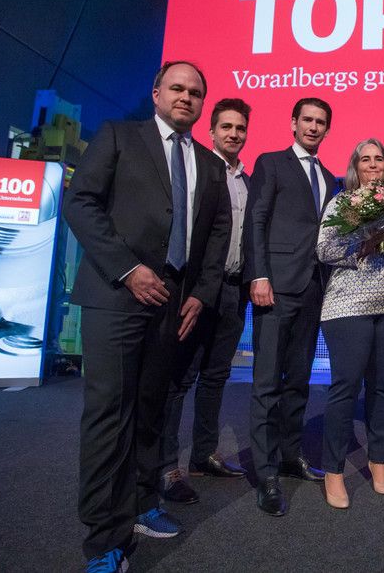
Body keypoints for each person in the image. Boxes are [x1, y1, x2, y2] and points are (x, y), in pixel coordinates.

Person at [63, 61, 231, 572]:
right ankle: (104, 540)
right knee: (109, 415)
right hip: (117, 294)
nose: (186, 97)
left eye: (195, 92)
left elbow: (218, 234)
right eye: (177, 88)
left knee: (152, 410)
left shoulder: (210, 164)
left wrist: (200, 294)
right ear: (156, 92)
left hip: (175, 303)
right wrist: (128, 268)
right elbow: (81, 203)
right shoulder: (119, 136)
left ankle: (141, 503)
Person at [243, 97, 336, 517]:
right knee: (267, 383)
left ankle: (289, 455)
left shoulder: (329, 177)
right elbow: (256, 220)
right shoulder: (271, 162)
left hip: (313, 289)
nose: (313, 127)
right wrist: (258, 275)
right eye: (307, 120)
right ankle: (266, 475)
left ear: (327, 129)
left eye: (321, 122)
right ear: (293, 122)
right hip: (275, 287)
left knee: (298, 380)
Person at [316, 138, 384, 508]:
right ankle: (333, 470)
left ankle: (378, 461)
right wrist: (363, 239)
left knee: (383, 386)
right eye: (365, 159)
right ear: (355, 167)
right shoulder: (341, 203)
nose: (372, 165)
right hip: (348, 305)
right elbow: (324, 250)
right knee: (346, 387)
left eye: (379, 159)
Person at [159, 99, 252, 505]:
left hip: (233, 289)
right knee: (180, 379)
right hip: (196, 291)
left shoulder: (247, 181)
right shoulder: (195, 170)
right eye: (226, 127)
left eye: (240, 128)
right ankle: (165, 466)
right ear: (211, 131)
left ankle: (203, 455)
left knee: (216, 376)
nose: (234, 133)